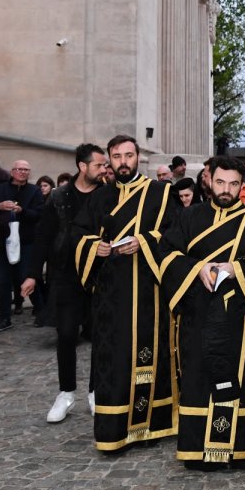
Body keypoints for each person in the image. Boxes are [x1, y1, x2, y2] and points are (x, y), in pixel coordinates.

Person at [158, 156, 245, 469]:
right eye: (220, 182)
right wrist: (197, 268)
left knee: (237, 378)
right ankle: (196, 449)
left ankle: (239, 448)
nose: (226, 189)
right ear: (208, 180)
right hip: (197, 313)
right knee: (198, 377)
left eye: (234, 184)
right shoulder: (189, 217)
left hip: (238, 320)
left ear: (241, 185)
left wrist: (237, 269)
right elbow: (166, 255)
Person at [75, 135, 179, 452]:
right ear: (109, 159)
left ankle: (153, 426)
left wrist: (145, 241)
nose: (123, 161)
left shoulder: (161, 193)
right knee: (114, 359)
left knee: (151, 356)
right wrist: (96, 246)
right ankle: (114, 429)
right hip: (111, 294)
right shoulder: (99, 197)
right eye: (116, 156)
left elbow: (177, 234)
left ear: (138, 157)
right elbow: (80, 236)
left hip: (150, 290)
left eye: (129, 155)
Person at [20, 143, 108, 423]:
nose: (104, 169)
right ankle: (66, 393)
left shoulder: (108, 196)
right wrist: (33, 273)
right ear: (82, 167)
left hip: (99, 275)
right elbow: (43, 236)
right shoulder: (58, 197)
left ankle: (96, 392)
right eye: (99, 165)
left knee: (98, 336)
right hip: (65, 275)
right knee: (67, 335)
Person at [0, 160, 44, 331]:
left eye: (26, 169)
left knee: (28, 277)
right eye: (19, 169)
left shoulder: (34, 191)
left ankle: (41, 311)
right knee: (3, 280)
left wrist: (22, 211)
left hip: (26, 242)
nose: (22, 172)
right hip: (2, 242)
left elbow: (39, 215)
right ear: (12, 171)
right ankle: (4, 318)